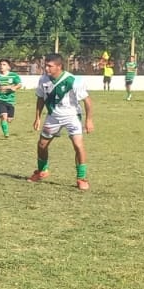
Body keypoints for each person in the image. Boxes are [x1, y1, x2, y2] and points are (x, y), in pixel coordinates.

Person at [30, 53, 94, 191]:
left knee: (78, 145)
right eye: (45, 65)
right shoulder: (43, 79)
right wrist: (37, 117)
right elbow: (40, 98)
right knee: (42, 145)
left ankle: (81, 178)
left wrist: (89, 120)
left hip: (72, 117)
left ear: (59, 66)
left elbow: (87, 101)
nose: (46, 68)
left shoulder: (72, 81)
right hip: (53, 117)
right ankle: (42, 171)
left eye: (50, 66)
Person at [0, 58, 22, 137]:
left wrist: (15, 87)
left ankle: (6, 121)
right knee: (4, 116)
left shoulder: (13, 76)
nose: (1, 66)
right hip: (0, 99)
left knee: (9, 119)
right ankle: (6, 134)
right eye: (0, 64)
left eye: (4, 64)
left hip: (10, 100)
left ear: (8, 67)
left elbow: (19, 84)